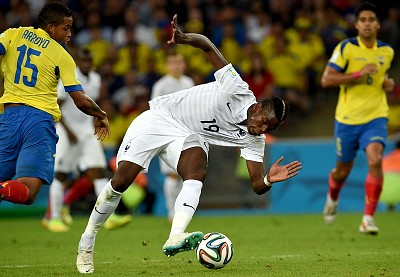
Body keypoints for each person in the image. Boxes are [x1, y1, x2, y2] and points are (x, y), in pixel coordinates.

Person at [76, 14, 302, 274]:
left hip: (185, 135)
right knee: (121, 183)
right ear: (259, 106)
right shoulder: (237, 88)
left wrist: (269, 180)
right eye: (263, 121)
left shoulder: (254, 137)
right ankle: (87, 241)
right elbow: (207, 44)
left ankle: (175, 235)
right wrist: (184, 38)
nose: (261, 129)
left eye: (268, 129)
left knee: (196, 171)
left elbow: (256, 185)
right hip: (158, 119)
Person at [0, 3, 110, 206]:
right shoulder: (62, 55)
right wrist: (101, 115)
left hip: (8, 118)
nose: (69, 33)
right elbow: (80, 100)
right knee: (28, 190)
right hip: (38, 122)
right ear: (50, 27)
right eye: (65, 27)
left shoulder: (13, 34)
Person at [321, 2, 395, 235]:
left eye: (371, 19)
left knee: (375, 160)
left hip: (375, 117)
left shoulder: (387, 52)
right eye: (363, 20)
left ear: (378, 24)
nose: (367, 23)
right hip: (347, 120)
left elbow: (379, 78)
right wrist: (357, 74)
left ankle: (368, 218)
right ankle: (333, 196)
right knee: (342, 171)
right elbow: (326, 79)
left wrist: (385, 83)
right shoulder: (347, 48)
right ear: (356, 24)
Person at [41, 48, 113, 232]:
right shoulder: (69, 76)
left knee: (99, 173)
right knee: (61, 175)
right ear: (77, 62)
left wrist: (97, 117)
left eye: (89, 61)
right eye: (83, 61)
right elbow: (57, 105)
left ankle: (107, 218)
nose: (86, 64)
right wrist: (68, 130)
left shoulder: (95, 78)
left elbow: (92, 103)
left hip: (87, 133)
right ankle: (54, 218)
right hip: (67, 133)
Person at [151, 51, 195, 221]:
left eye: (179, 62)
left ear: (184, 65)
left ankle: (182, 210)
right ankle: (171, 212)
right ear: (167, 66)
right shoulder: (161, 85)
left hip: (186, 133)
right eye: (173, 63)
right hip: (168, 134)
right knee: (172, 174)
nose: (176, 66)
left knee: (186, 174)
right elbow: (154, 110)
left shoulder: (188, 82)